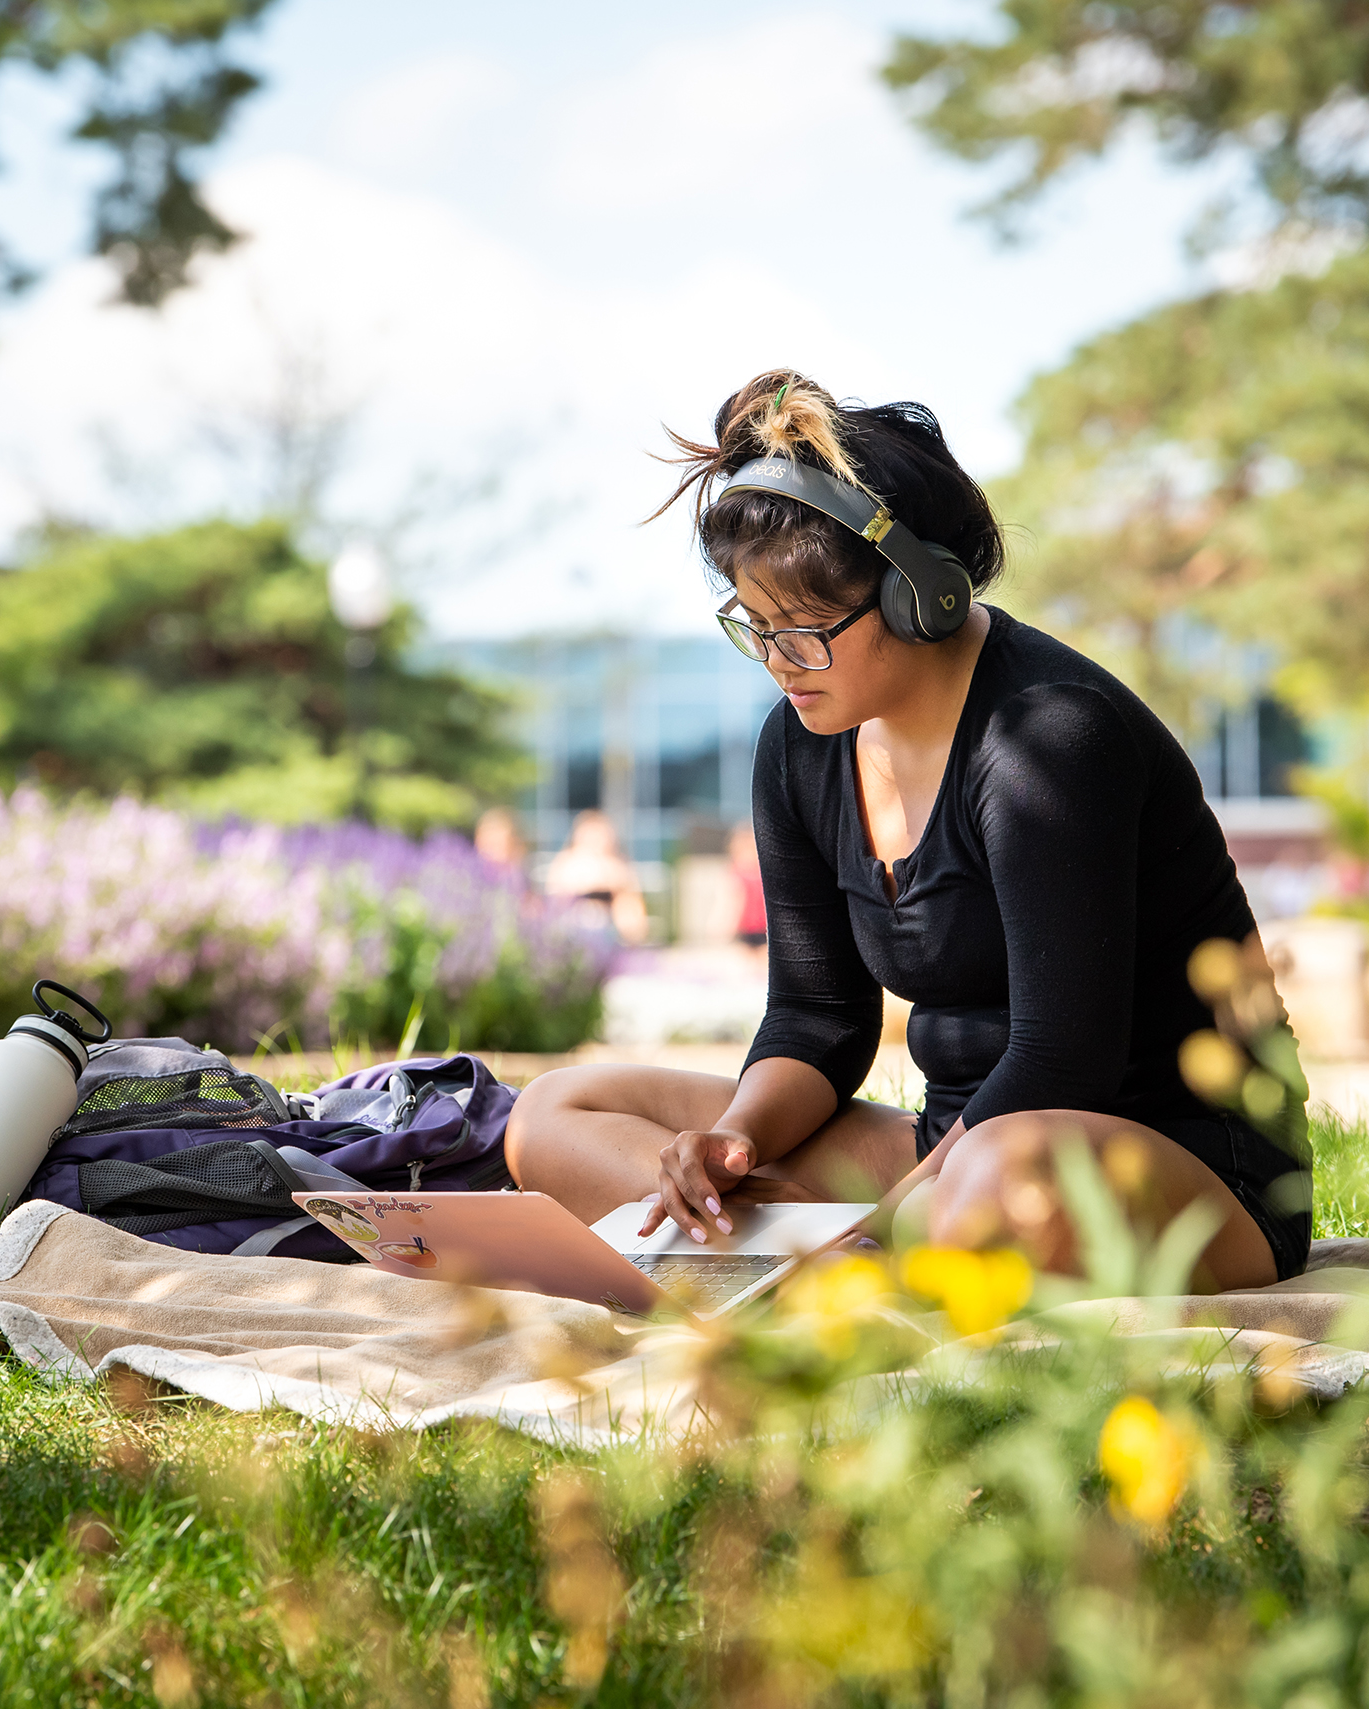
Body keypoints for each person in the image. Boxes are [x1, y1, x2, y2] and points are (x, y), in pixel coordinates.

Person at [504, 371, 1310, 1291]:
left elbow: (1064, 1057)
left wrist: (891, 1218)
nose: (777, 663)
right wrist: (736, 1141)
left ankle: (819, 1264)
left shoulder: (1049, 735)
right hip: (948, 1155)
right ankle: (806, 1262)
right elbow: (820, 1016)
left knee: (985, 1192)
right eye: (755, 627)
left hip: (1171, 1169)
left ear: (915, 596)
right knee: (556, 1112)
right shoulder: (803, 744)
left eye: (804, 631)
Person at [543, 809, 650, 945]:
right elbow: (555, 901)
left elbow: (634, 910)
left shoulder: (620, 866)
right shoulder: (566, 863)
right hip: (573, 930)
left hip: (612, 932)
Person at [728, 820, 767, 949]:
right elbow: (733, 902)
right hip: (747, 928)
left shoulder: (763, 873)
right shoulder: (737, 874)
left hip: (764, 926)